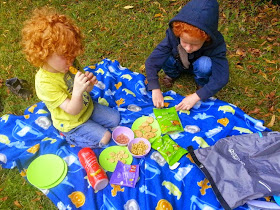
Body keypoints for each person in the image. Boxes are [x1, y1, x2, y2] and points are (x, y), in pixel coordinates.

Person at [21, 7, 120, 148]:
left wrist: (89, 84)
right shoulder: (45, 83)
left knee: (115, 118)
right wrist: (78, 91)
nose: (71, 61)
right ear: (44, 53)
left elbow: (87, 91)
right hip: (72, 122)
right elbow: (72, 110)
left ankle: (91, 124)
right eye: (65, 56)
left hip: (86, 108)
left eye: (72, 56)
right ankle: (71, 137)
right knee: (105, 137)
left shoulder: (68, 63)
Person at [145, 0, 229, 111]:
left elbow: (221, 77)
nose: (188, 48)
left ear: (206, 38)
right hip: (178, 61)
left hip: (198, 65)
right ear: (178, 34)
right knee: (164, 55)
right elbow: (152, 61)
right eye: (184, 42)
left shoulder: (215, 44)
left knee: (205, 64)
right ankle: (172, 74)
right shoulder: (172, 36)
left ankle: (201, 82)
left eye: (195, 44)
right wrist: (155, 88)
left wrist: (197, 96)